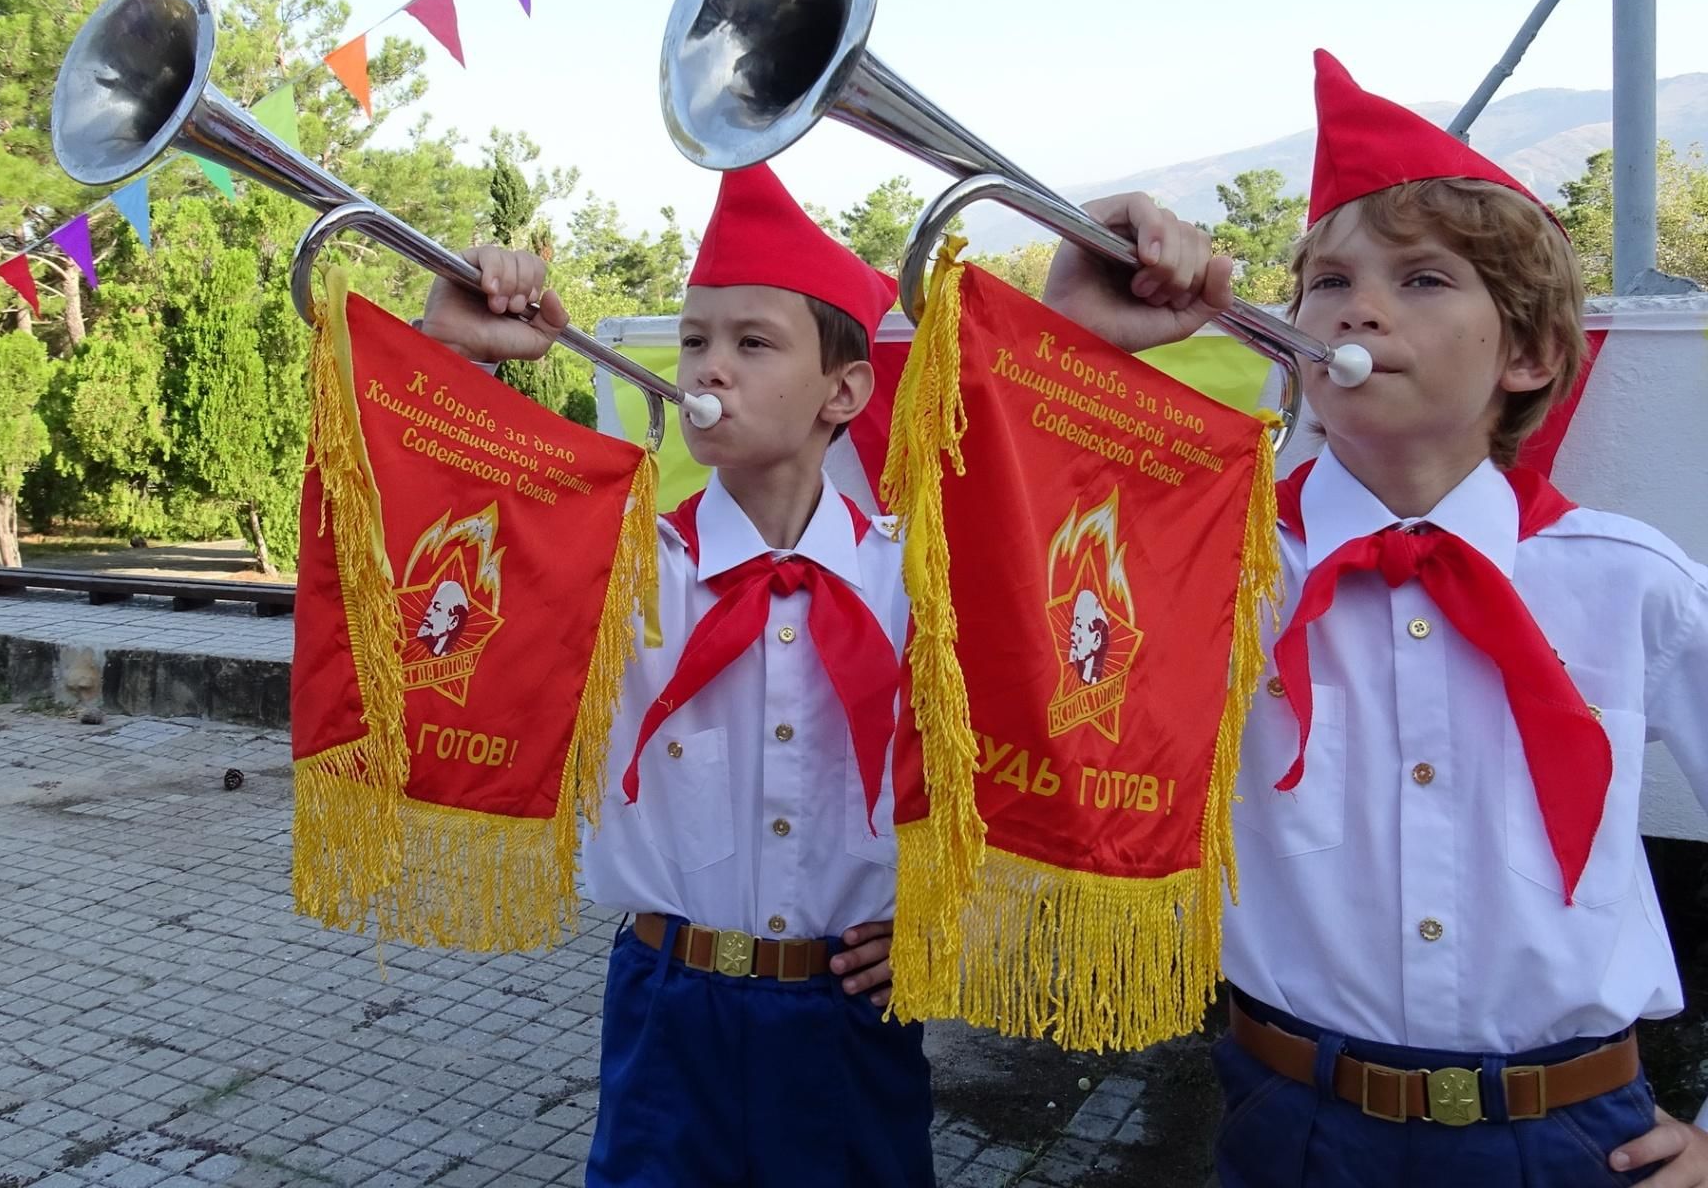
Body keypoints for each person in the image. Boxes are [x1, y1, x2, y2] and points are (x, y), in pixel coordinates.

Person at [418, 159, 1249, 1186]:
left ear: (845, 390)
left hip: (849, 1019)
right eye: (694, 341)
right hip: (669, 1012)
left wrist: (957, 921)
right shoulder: (627, 559)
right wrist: (455, 360)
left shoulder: (929, 577)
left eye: (752, 343)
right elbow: (448, 555)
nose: (706, 371)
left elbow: (1061, 704)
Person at [1043, 49, 1708, 1187]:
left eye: (1425, 281)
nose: (1360, 309)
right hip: (1292, 1124)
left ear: (1533, 354)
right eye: (1330, 283)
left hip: (1578, 1136)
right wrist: (1078, 351)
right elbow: (1013, 607)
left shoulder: (1628, 579)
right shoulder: (1209, 557)